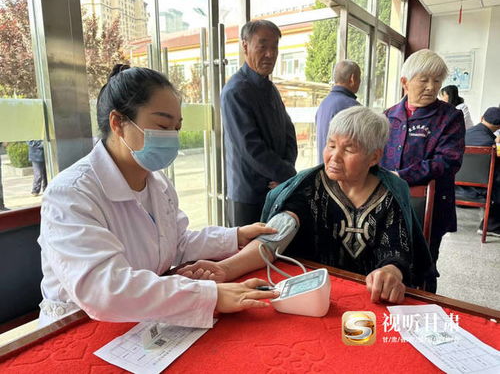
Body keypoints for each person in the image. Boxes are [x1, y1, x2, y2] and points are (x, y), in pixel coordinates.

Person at [38, 65, 280, 328]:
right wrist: (210, 295)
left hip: (140, 315)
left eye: (176, 128)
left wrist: (234, 236)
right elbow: (103, 289)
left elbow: (175, 242)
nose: (172, 138)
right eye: (163, 125)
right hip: (77, 324)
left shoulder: (156, 182)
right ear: (118, 123)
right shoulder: (71, 194)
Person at [257, 106, 436, 303]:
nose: (334, 157)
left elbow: (396, 249)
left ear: (374, 157)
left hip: (369, 297)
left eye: (348, 149)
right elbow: (275, 235)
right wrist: (226, 268)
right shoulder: (310, 186)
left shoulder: (390, 193)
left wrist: (390, 272)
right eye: (331, 145)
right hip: (312, 294)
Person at [380, 49, 465, 293]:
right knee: (388, 257)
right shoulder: (389, 116)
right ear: (405, 82)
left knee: (423, 263)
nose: (431, 86)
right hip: (387, 204)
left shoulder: (450, 117)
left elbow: (448, 161)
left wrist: (401, 177)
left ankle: (425, 310)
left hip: (431, 204)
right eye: (424, 79)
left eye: (437, 80)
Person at [221, 20, 297, 227]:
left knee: (274, 250)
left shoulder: (271, 89)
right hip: (249, 196)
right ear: (245, 46)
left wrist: (287, 171)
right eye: (262, 46)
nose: (270, 54)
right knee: (247, 254)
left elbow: (289, 131)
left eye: (274, 47)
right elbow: (251, 148)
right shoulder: (235, 91)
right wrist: (286, 174)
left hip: (277, 187)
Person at [455, 107, 500, 237]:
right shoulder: (489, 143)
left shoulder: (463, 134)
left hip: (454, 187)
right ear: (498, 127)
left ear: (481, 118)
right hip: (477, 190)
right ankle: (492, 225)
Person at [315, 60, 361, 163]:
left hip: (324, 170)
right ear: (352, 79)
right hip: (342, 173)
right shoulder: (354, 108)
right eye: (359, 78)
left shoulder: (323, 104)